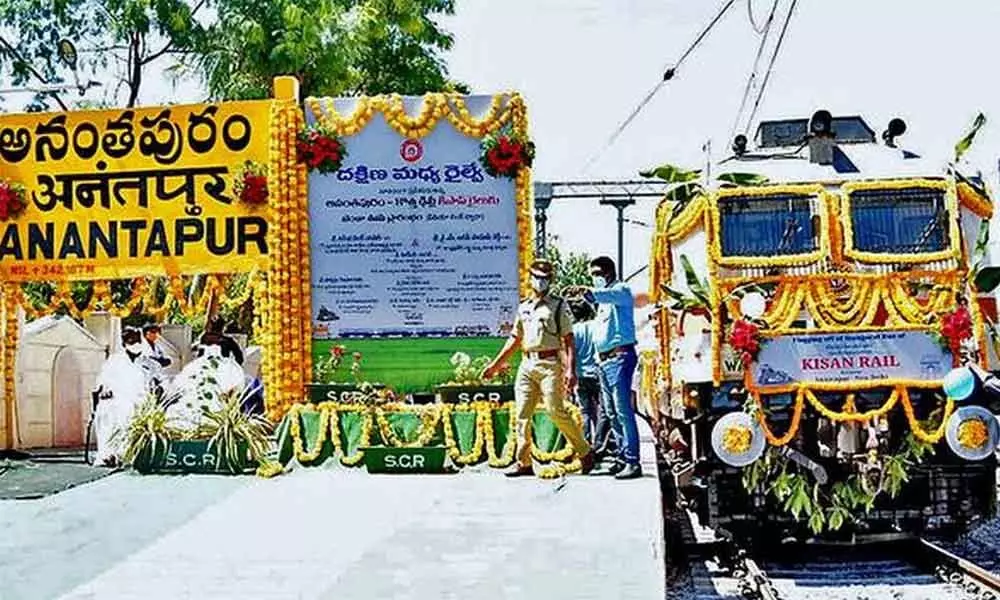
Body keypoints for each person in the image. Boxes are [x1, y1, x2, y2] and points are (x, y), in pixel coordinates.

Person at [482, 259, 594, 477]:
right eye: (536, 277)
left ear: (550, 280)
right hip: (527, 364)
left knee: (555, 410)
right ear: (530, 278)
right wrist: (496, 365)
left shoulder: (558, 305)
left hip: (550, 365)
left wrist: (571, 370)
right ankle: (523, 462)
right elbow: (515, 339)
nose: (540, 281)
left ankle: (585, 451)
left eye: (544, 278)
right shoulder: (524, 307)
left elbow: (568, 340)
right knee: (522, 413)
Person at [580, 256, 642, 480]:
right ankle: (620, 458)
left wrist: (587, 291)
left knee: (624, 412)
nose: (594, 278)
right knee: (611, 412)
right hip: (604, 361)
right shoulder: (604, 305)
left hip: (619, 358)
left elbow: (598, 295)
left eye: (597, 273)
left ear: (608, 273)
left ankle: (633, 462)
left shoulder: (621, 291)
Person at [92, 327, 153, 467]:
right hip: (117, 403)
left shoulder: (147, 362)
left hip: (140, 403)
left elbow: (157, 379)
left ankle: (131, 456)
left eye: (137, 340)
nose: (135, 344)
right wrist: (104, 390)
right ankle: (108, 456)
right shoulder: (114, 361)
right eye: (131, 341)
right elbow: (103, 381)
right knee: (111, 426)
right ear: (125, 343)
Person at [569, 298, 611, 457]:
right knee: (604, 410)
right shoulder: (596, 326)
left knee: (585, 411)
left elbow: (570, 354)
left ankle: (585, 445)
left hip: (580, 375)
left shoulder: (573, 330)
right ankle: (599, 445)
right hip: (598, 372)